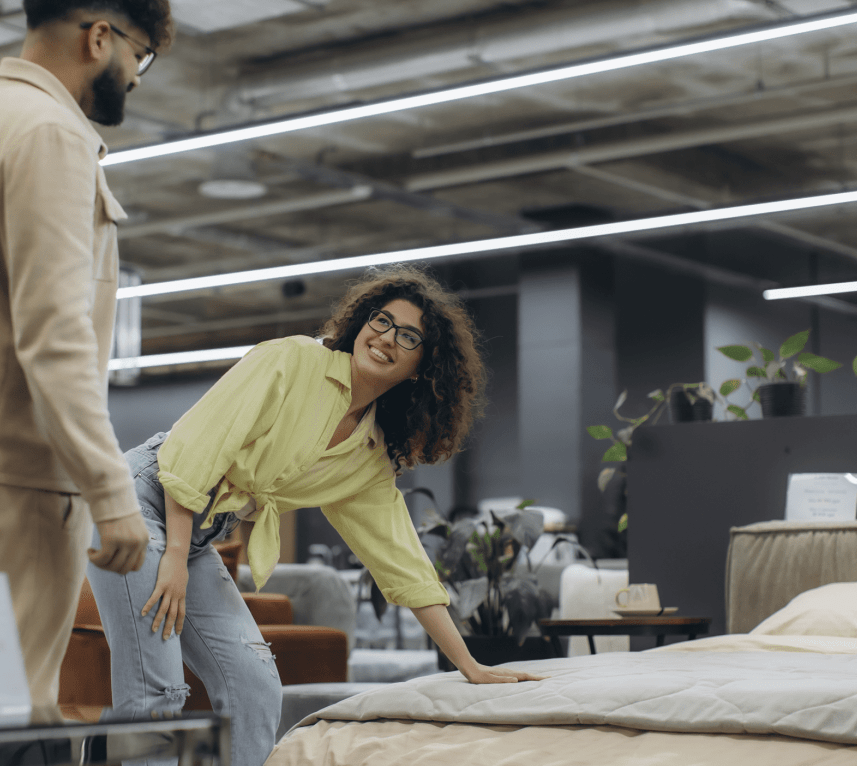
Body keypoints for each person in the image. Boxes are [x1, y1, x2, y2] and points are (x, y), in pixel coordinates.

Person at [87, 266, 544, 766]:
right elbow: (192, 453)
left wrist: (469, 664)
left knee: (254, 685)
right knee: (157, 690)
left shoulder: (368, 455)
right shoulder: (291, 361)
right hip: (143, 500)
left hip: (198, 531)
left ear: (421, 367)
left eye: (408, 336)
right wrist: (175, 553)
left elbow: (403, 565)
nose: (387, 337)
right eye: (382, 320)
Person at [0, 0, 174, 709]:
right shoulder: (50, 134)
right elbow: (53, 333)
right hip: (9, 475)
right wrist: (111, 491)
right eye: (140, 54)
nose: (137, 75)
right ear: (99, 37)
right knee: (3, 704)